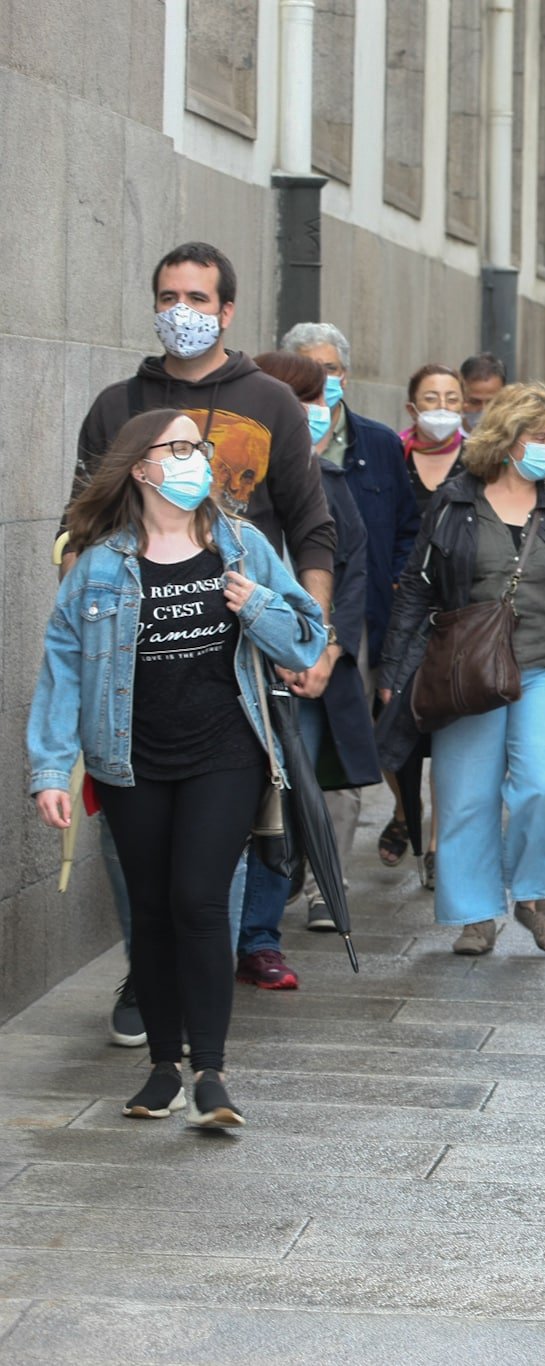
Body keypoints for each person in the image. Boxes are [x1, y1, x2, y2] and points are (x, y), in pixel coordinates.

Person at [30, 408, 327, 1126]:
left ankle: (213, 1074)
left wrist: (256, 605)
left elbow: (306, 642)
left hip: (225, 753)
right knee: (154, 910)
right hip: (128, 761)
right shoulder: (99, 565)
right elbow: (61, 671)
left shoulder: (244, 546)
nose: (199, 458)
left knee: (197, 899)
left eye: (201, 446)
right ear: (142, 468)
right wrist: (49, 770)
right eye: (182, 447)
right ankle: (163, 1066)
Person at [71, 241, 337, 1003]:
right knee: (133, 845)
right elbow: (79, 525)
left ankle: (193, 991)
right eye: (167, 297)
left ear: (226, 311)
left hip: (234, 659)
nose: (179, 312)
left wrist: (309, 631)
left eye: (196, 299)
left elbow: (312, 526)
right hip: (133, 660)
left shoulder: (270, 404)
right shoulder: (116, 408)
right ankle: (150, 976)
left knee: (215, 842)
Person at [376, 383, 545, 956]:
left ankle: (535, 898)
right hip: (466, 672)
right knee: (465, 796)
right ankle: (476, 915)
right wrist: (392, 666)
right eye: (539, 437)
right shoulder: (457, 501)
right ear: (507, 440)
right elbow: (416, 584)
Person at [228, 351, 379, 956]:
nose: (317, 412)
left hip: (312, 670)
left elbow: (354, 568)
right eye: (304, 399)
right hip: (243, 660)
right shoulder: (232, 485)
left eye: (321, 400)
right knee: (243, 801)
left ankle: (260, 937)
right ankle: (229, 928)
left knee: (287, 796)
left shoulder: (333, 483)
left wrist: (326, 650)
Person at [283, 323, 419, 687]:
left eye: (329, 369)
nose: (320, 378)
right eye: (308, 368)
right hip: (292, 609)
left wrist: (392, 584)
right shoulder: (273, 441)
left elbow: (407, 527)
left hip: (364, 616)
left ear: (344, 376)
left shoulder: (380, 443)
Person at [376, 364, 469, 884]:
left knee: (447, 734)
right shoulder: (394, 455)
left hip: (455, 619)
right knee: (388, 727)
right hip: (396, 611)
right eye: (430, 397)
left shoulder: (478, 460)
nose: (441, 407)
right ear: (412, 407)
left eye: (451, 398)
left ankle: (435, 845)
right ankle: (403, 810)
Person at [459, 352, 508, 432]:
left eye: (491, 402)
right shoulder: (447, 440)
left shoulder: (515, 439)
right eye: (475, 402)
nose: (483, 410)